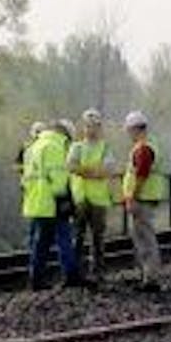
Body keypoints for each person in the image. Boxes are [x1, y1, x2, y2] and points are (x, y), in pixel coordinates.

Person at [21, 120, 83, 290]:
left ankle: (36, 279)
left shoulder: (33, 146)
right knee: (64, 238)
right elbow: (57, 177)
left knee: (39, 243)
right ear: (65, 134)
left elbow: (25, 178)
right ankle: (71, 276)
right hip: (52, 202)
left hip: (35, 202)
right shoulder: (55, 146)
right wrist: (64, 199)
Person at [67, 108, 115, 282]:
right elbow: (71, 166)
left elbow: (108, 169)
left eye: (94, 126)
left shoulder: (105, 147)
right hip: (80, 199)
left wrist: (84, 171)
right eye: (88, 126)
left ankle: (98, 272)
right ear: (83, 127)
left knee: (98, 239)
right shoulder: (76, 147)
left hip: (98, 200)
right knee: (77, 238)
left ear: (99, 127)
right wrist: (95, 171)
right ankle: (76, 273)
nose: (91, 129)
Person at [121, 110, 164, 291]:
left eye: (129, 131)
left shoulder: (143, 148)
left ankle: (151, 279)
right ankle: (146, 275)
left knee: (145, 239)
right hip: (147, 197)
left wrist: (132, 196)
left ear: (135, 129)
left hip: (142, 198)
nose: (128, 134)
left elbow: (141, 174)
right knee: (143, 238)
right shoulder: (151, 144)